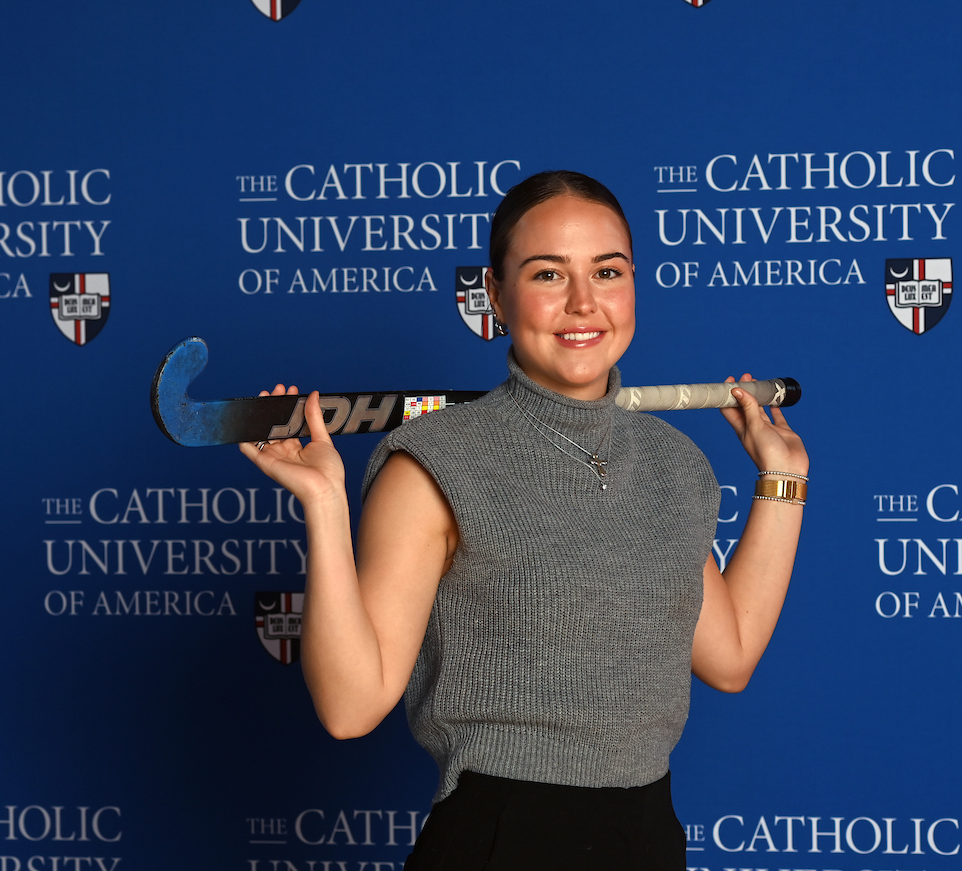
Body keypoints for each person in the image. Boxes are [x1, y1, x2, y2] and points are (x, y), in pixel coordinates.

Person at [239, 170, 808, 870]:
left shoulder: (674, 462)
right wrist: (325, 506)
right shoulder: (432, 463)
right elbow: (350, 706)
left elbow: (731, 655)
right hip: (499, 840)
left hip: (647, 838)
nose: (583, 303)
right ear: (496, 297)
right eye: (547, 274)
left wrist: (783, 481)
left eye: (607, 270)